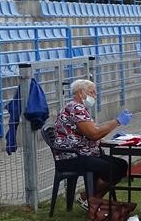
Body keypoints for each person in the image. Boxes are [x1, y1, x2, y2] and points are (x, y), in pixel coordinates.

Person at [53, 79, 132, 208]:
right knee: (112, 169)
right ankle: (90, 199)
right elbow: (93, 134)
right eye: (91, 92)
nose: (95, 96)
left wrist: (110, 140)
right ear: (80, 93)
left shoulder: (80, 108)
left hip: (84, 153)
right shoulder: (76, 108)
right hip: (73, 156)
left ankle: (91, 199)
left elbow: (89, 134)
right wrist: (117, 122)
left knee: (121, 165)